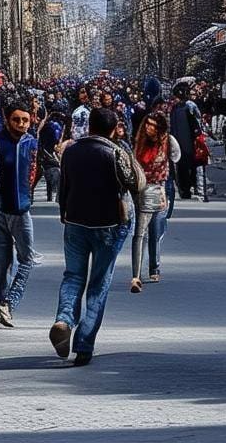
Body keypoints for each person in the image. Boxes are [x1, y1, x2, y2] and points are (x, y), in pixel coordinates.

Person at [48, 107, 133, 366]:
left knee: (73, 276)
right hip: (107, 224)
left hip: (74, 220)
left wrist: (64, 212)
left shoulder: (71, 151)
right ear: (111, 128)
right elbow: (131, 182)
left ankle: (63, 320)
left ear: (90, 125)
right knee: (98, 283)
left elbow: (64, 186)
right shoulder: (114, 153)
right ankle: (84, 344)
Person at [0, 101, 39, 328]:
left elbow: (35, 170)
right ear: (7, 120)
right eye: (16, 120)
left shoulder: (31, 142)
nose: (21, 124)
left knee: (26, 259)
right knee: (2, 263)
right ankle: (1, 300)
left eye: (25, 120)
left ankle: (8, 302)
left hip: (22, 211)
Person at [130, 112, 180, 291]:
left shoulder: (168, 141)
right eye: (147, 124)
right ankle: (136, 275)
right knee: (140, 232)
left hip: (159, 188)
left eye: (153, 125)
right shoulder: (140, 142)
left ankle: (154, 267)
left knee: (156, 230)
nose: (149, 128)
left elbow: (176, 156)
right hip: (143, 189)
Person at [169, 83, 202, 200]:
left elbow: (195, 125)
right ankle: (187, 188)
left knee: (186, 167)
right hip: (182, 143)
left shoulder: (184, 108)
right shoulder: (178, 109)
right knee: (185, 167)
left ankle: (187, 188)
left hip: (185, 143)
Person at [37, 111, 67, 202]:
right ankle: (54, 197)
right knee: (56, 178)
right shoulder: (56, 126)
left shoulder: (46, 125)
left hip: (44, 154)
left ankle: (50, 196)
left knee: (48, 178)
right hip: (51, 156)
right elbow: (56, 141)